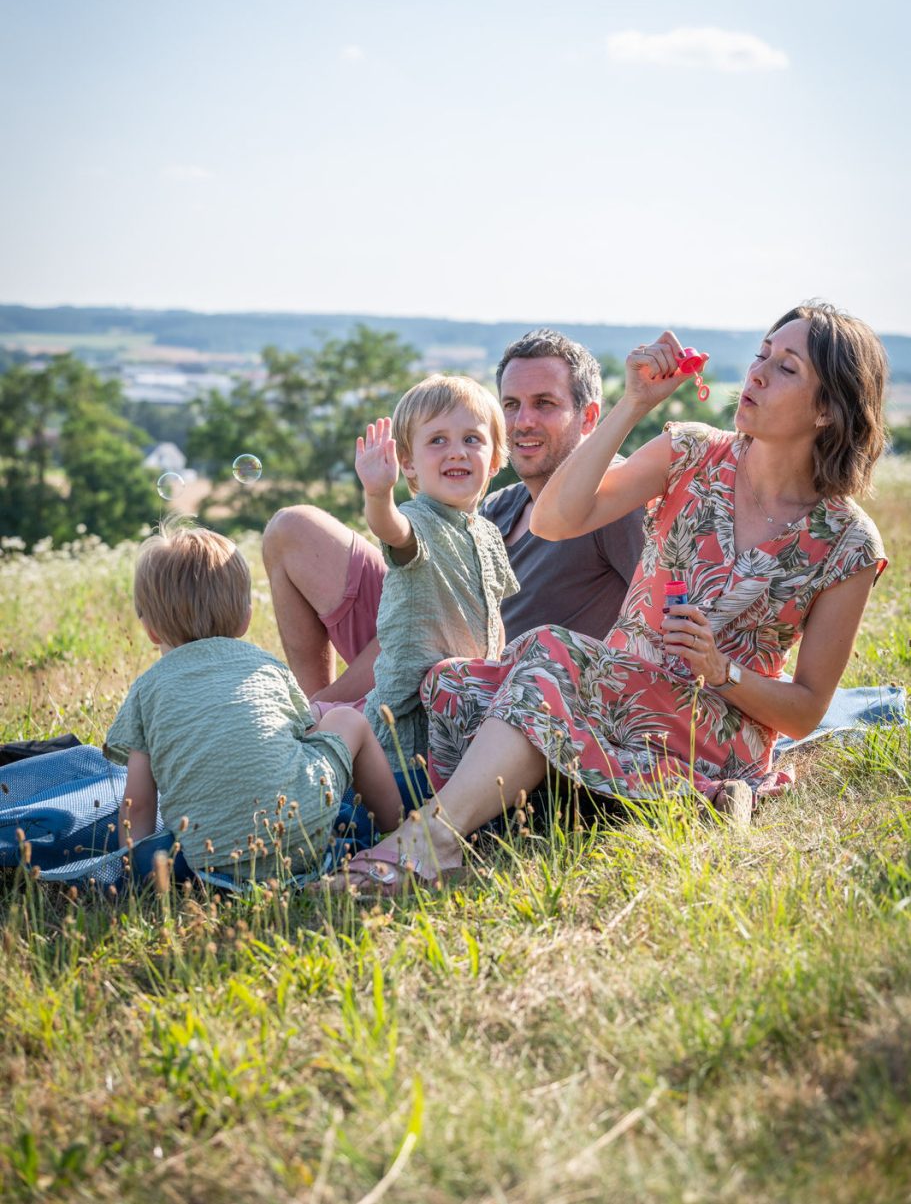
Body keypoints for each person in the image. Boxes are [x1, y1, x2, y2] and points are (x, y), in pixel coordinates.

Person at [326, 302, 889, 892]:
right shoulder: (692, 453)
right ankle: (491, 819)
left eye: (787, 368)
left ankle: (432, 841)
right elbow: (556, 519)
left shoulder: (846, 543)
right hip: (608, 691)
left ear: (828, 408)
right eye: (760, 356)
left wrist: (721, 671)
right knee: (453, 683)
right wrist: (635, 404)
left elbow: (805, 711)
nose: (757, 374)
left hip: (712, 729)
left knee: (544, 652)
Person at [262, 329, 645, 706]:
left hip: (491, 699)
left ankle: (323, 717)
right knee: (293, 528)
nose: (523, 421)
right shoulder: (498, 507)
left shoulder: (613, 501)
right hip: (420, 653)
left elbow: (660, 623)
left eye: (544, 403)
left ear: (590, 417)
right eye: (511, 405)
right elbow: (419, 609)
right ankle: (317, 721)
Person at [107, 521, 401, 880]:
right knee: (346, 720)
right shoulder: (264, 665)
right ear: (246, 618)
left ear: (151, 630)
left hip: (212, 859)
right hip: (303, 832)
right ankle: (394, 825)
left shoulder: (145, 690)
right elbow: (305, 735)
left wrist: (129, 872)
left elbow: (137, 807)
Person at [351, 374, 517, 767]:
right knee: (402, 797)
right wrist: (378, 494)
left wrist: (501, 668)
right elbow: (392, 529)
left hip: (469, 704)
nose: (457, 452)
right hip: (410, 716)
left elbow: (495, 613)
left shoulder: (490, 533)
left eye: (472, 439)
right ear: (407, 463)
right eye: (437, 440)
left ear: (494, 460)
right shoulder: (417, 519)